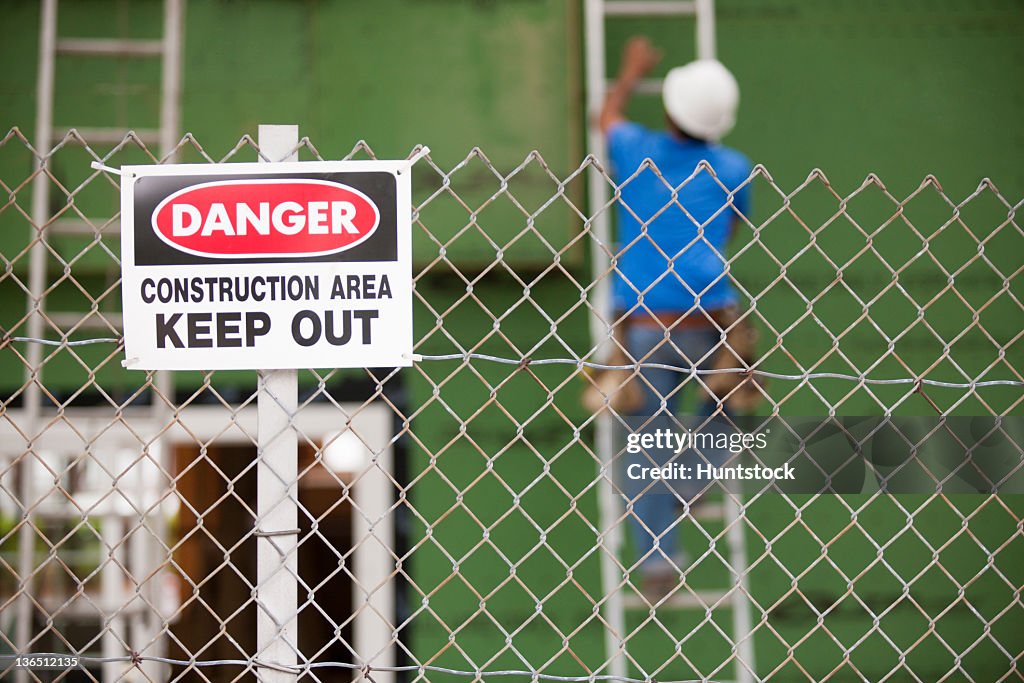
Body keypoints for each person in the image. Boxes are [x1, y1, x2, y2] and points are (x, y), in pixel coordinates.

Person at [599, 36, 753, 599]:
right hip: (712, 325)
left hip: (645, 326)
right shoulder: (734, 168)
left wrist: (629, 71)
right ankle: (690, 482)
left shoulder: (636, 150)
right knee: (729, 413)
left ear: (669, 109)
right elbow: (732, 228)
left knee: (640, 445)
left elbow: (607, 116)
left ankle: (659, 562)